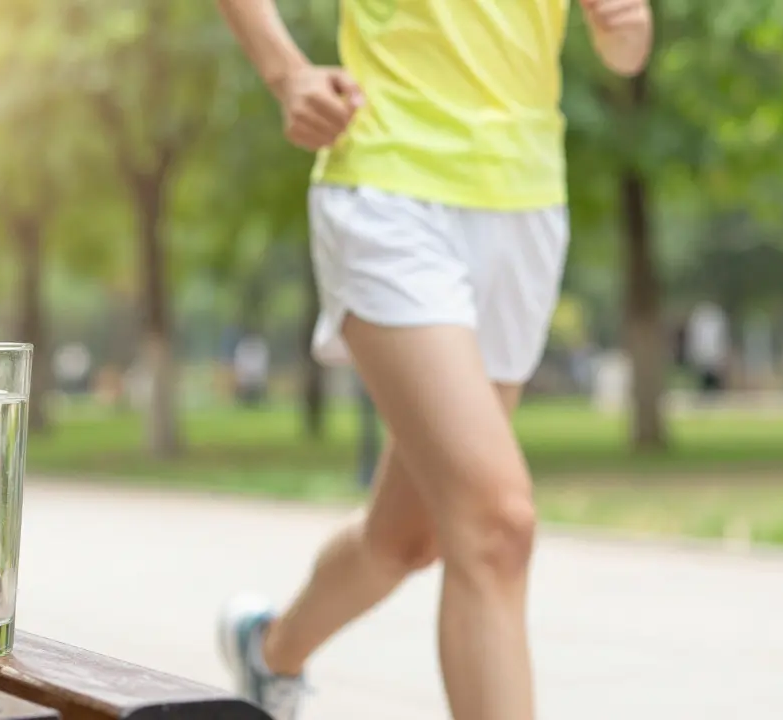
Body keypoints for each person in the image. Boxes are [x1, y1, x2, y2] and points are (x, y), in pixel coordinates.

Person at [213, 1, 652, 718]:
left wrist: (622, 21)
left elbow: (628, 49)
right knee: (496, 527)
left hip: (526, 200)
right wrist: (285, 73)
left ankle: (270, 653)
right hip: (390, 181)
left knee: (408, 538)